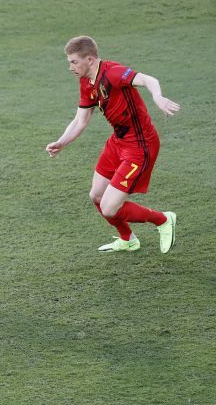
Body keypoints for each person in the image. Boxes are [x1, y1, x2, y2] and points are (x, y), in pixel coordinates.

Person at [46, 36, 179, 253]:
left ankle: (163, 220)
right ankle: (128, 239)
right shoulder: (86, 81)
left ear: (89, 59)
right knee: (96, 196)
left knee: (109, 208)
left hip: (140, 145)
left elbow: (148, 79)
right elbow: (81, 120)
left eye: (73, 62)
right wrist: (62, 142)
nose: (70, 67)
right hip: (118, 141)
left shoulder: (112, 73)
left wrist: (158, 97)